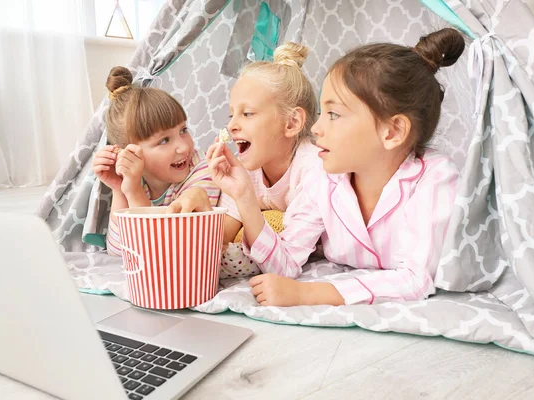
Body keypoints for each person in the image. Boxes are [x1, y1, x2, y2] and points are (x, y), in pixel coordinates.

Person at [208, 28, 464, 306]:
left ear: (392, 132)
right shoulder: (324, 178)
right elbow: (284, 263)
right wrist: (244, 196)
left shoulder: (435, 176)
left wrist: (309, 294)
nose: (316, 128)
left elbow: (416, 279)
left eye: (333, 114)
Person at [215, 42, 322, 279]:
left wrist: (244, 197)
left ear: (291, 123)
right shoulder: (246, 170)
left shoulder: (315, 171)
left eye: (247, 113)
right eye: (231, 114)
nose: (231, 125)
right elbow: (217, 241)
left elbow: (284, 267)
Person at [93, 66, 220, 256]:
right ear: (129, 153)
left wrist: (134, 192)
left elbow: (165, 249)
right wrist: (119, 189)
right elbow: (118, 251)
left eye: (183, 130)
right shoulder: (136, 181)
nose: (184, 147)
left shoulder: (203, 170)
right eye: (164, 140)